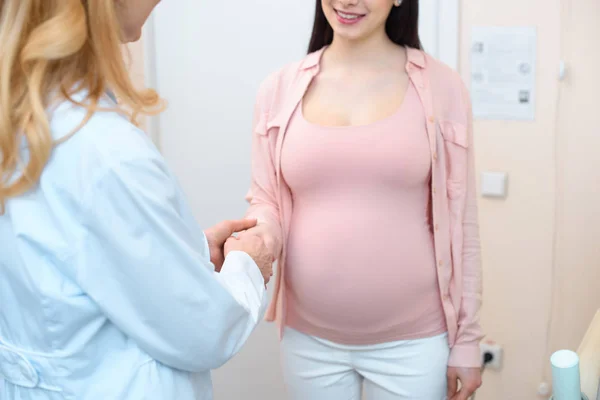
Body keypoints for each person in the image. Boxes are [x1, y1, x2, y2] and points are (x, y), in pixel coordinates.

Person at [0, 1, 273, 399]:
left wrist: (189, 251)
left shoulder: (25, 124)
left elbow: (73, 268)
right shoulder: (104, 153)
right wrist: (249, 265)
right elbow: (205, 331)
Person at [242, 0, 484, 399]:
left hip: (415, 343)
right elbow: (265, 198)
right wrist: (262, 235)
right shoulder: (278, 89)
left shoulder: (443, 88)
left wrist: (468, 341)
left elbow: (464, 223)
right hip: (309, 340)